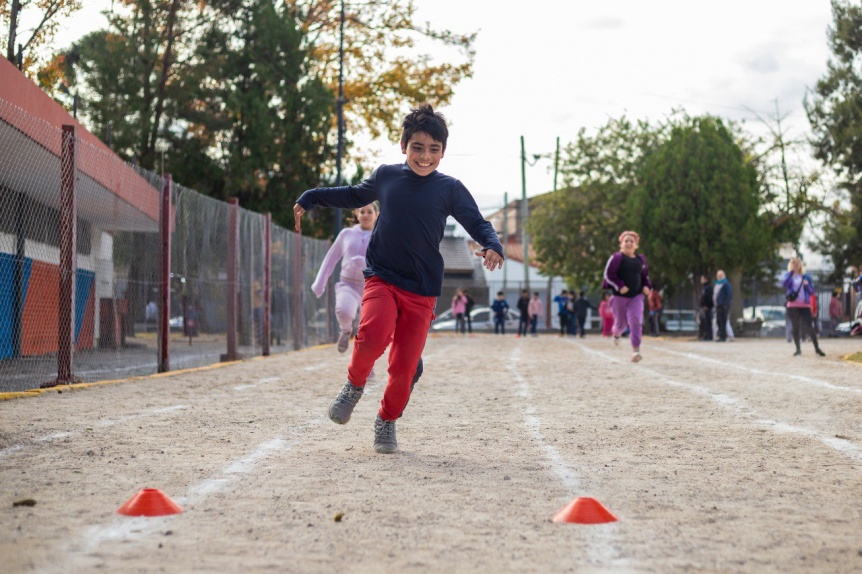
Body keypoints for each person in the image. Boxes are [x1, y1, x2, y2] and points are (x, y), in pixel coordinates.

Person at [293, 103, 504, 454]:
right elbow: (352, 194)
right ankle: (353, 385)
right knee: (374, 335)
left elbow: (477, 222)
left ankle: (386, 420)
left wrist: (493, 243)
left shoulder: (450, 188)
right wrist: (311, 197)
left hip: (421, 290)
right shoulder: (387, 176)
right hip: (383, 277)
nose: (425, 156)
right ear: (403, 145)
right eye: (417, 147)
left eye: (434, 149)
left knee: (405, 369)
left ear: (443, 152)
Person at [311, 203, 380, 352]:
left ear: (377, 215)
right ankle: (346, 330)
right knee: (344, 311)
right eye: (362, 212)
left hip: (371, 287)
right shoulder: (346, 234)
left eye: (369, 212)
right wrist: (319, 283)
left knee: (369, 328)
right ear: (357, 214)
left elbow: (386, 262)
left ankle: (367, 367)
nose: (366, 215)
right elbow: (331, 258)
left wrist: (366, 266)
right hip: (347, 284)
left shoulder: (381, 236)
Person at [602, 230, 653, 362]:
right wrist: (620, 285)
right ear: (621, 244)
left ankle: (636, 351)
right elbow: (608, 275)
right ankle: (617, 334)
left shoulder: (640, 260)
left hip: (636, 296)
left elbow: (645, 277)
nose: (629, 243)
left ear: (636, 245)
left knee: (635, 320)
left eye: (632, 241)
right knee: (620, 324)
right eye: (626, 241)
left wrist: (647, 286)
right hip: (619, 297)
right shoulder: (616, 258)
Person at [783, 257, 825, 357]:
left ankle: (817, 348)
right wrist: (790, 275)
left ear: (800, 265)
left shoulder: (805, 276)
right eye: (793, 264)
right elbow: (784, 284)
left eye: (797, 264)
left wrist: (807, 285)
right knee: (795, 327)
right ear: (791, 265)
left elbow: (812, 291)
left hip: (804, 304)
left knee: (809, 327)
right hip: (793, 305)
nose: (795, 266)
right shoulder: (788, 276)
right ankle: (798, 349)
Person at [713, 270, 732, 342]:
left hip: (724, 306)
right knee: (719, 321)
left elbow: (729, 295)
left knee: (723, 321)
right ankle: (721, 335)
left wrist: (726, 305)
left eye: (721, 275)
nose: (719, 277)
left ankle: (723, 336)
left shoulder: (726, 284)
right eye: (718, 276)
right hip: (718, 306)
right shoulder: (717, 285)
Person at [698, 275, 713, 341]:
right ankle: (705, 335)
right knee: (704, 322)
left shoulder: (708, 288)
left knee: (708, 322)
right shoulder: (704, 287)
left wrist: (707, 305)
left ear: (705, 279)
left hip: (707, 307)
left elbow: (709, 298)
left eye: (702, 279)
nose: (701, 280)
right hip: (703, 307)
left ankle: (709, 336)